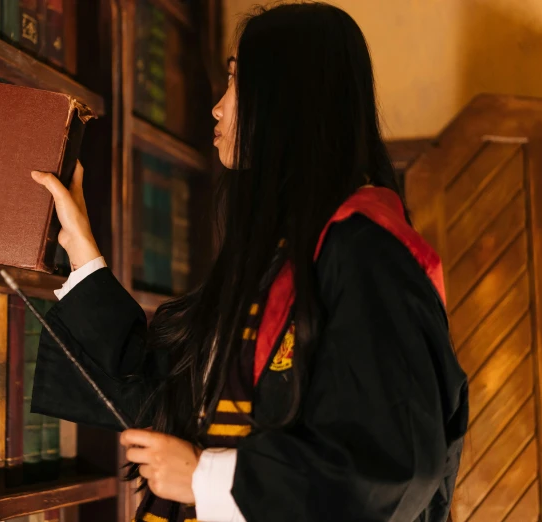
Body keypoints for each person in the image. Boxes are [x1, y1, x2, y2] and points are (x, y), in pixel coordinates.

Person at [27, 2, 468, 521]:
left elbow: (392, 466)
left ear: (287, 100)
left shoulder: (368, 251)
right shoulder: (284, 253)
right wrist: (80, 246)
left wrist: (203, 478)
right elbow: (169, 396)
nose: (216, 108)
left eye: (235, 83)